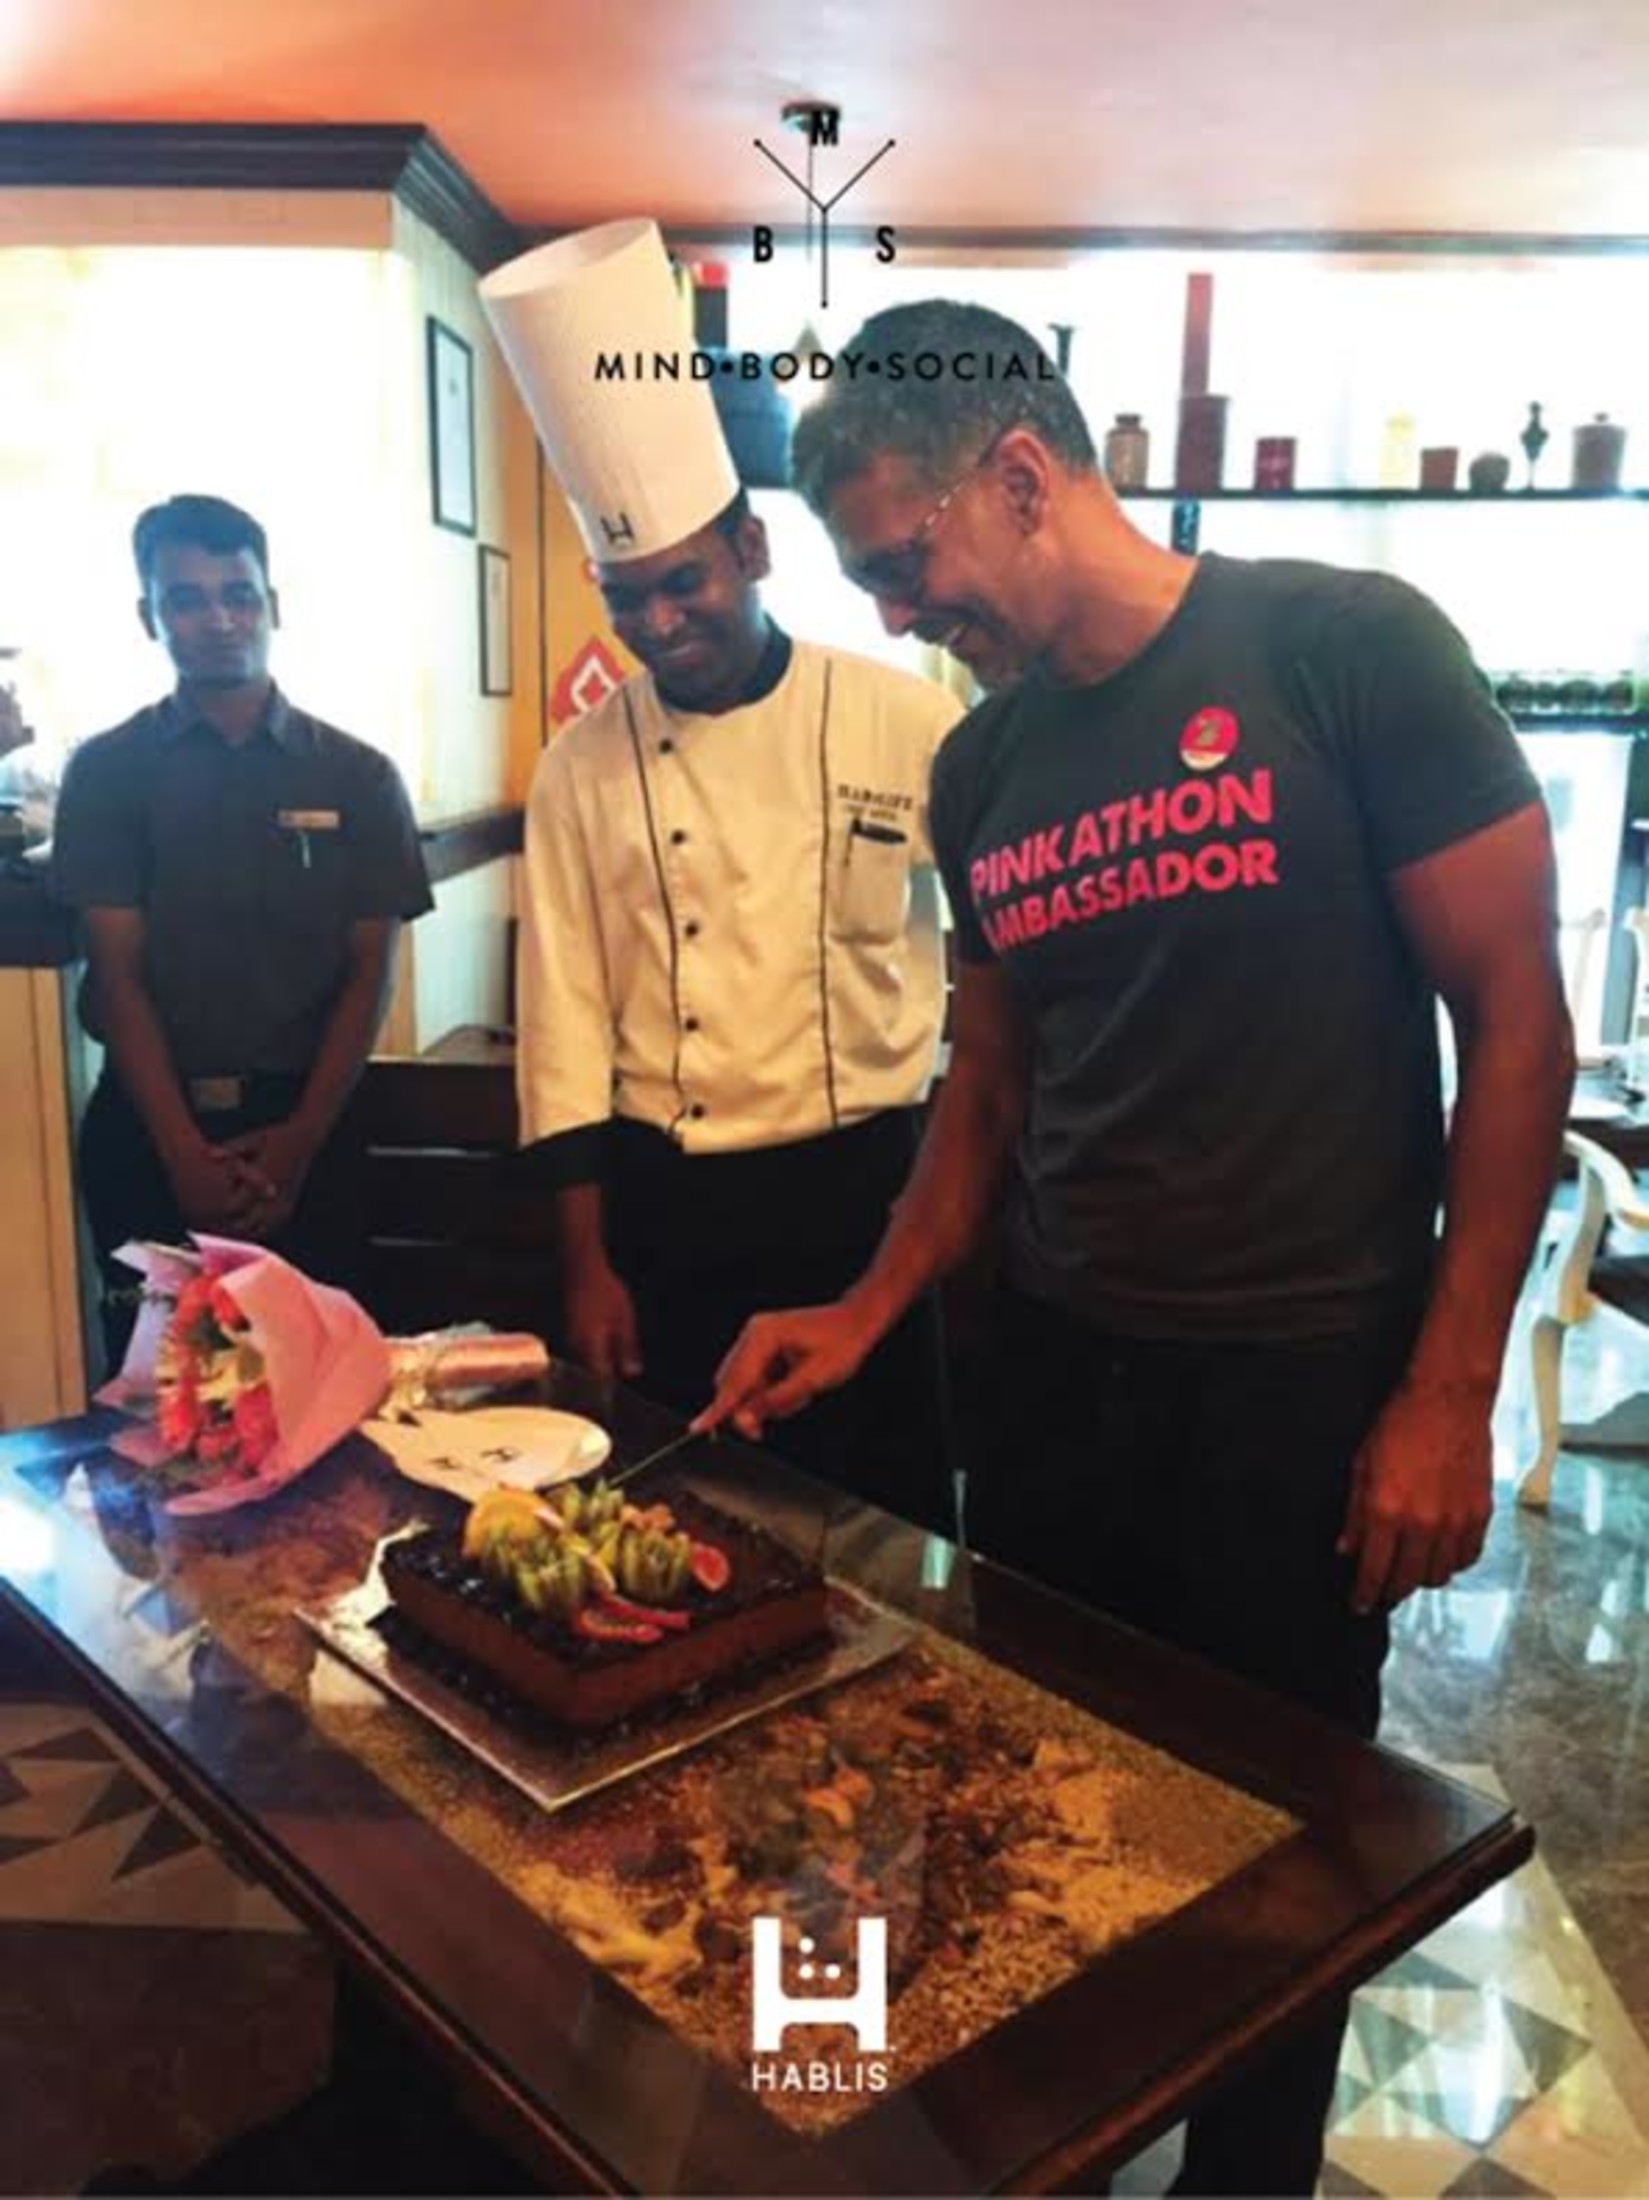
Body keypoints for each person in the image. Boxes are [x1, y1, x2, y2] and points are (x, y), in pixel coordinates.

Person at [699, 300, 1575, 2195]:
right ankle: (1055, 2160)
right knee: (1029, 1815)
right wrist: (865, 1304)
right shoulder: (981, 766)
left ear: (1017, 474)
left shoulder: (1342, 651)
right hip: (1043, 1380)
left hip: (1286, 1391)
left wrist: (1442, 1396)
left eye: (902, 563)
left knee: (1279, 1866)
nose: (896, 614)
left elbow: (1515, 1021)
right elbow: (987, 1087)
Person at [481, 220, 960, 1534]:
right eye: (626, 598)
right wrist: (584, 1263)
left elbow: (1000, 961)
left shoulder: (904, 721)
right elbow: (564, 1021)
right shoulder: (582, 765)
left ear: (750, 550)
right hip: (662, 1207)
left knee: (879, 1523)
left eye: (682, 583)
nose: (658, 623)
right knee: (677, 1521)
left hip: (862, 1189)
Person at [52, 494, 432, 1367]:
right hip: (149, 1128)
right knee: (160, 1399)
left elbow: (368, 978)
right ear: (151, 616)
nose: (219, 618)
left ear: (274, 605)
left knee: (324, 1392)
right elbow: (116, 977)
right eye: (186, 598)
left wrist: (298, 1144)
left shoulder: (360, 776)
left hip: (314, 1128)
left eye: (239, 593)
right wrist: (182, 1152)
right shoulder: (107, 772)